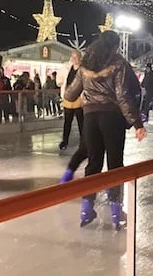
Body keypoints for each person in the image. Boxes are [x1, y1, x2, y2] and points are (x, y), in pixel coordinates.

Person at [64, 30, 147, 230]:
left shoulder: (86, 63)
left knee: (93, 164)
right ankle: (116, 213)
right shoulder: (118, 63)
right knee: (115, 164)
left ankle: (86, 208)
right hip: (112, 118)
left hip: (90, 117)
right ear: (115, 46)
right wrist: (137, 123)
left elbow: (70, 93)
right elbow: (122, 96)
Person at [57, 50, 83, 150]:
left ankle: (83, 141)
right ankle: (65, 141)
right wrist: (59, 82)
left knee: (81, 121)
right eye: (73, 57)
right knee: (67, 121)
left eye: (76, 57)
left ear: (80, 58)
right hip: (68, 97)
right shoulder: (66, 67)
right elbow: (60, 77)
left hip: (79, 97)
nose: (74, 59)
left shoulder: (83, 69)